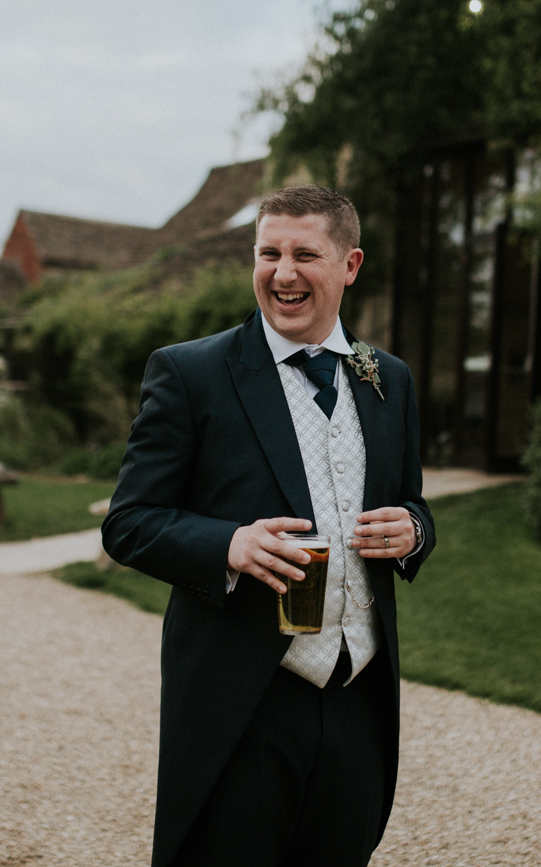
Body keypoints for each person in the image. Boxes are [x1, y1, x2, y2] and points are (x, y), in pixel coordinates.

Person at [102, 184, 435, 867]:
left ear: (350, 265)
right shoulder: (192, 373)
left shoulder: (387, 380)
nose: (282, 273)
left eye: (304, 254)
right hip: (244, 698)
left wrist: (414, 530)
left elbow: (412, 502)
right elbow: (128, 523)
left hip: (357, 696)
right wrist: (229, 544)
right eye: (269, 253)